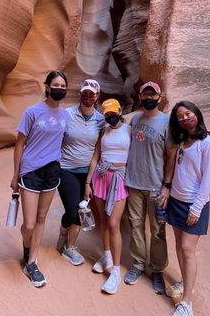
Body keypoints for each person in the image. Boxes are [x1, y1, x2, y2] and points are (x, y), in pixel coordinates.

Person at [10, 70, 69, 288]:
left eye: (63, 86)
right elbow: (19, 143)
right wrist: (16, 174)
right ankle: (27, 244)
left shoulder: (65, 115)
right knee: (29, 223)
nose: (60, 89)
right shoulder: (32, 111)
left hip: (52, 170)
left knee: (42, 218)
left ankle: (32, 262)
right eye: (56, 85)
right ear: (47, 86)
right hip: (31, 170)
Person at [166, 101, 210, 316]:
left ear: (197, 113)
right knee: (179, 246)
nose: (185, 118)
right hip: (177, 201)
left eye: (188, 113)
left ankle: (186, 302)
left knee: (188, 250)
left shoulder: (208, 143)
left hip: (193, 204)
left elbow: (208, 180)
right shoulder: (182, 141)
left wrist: (196, 208)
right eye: (180, 117)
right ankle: (185, 281)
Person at [124, 81, 175, 295]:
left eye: (152, 94)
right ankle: (137, 265)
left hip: (156, 186)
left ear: (159, 97)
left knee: (157, 231)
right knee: (136, 226)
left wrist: (166, 186)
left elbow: (171, 155)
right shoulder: (135, 118)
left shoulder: (166, 122)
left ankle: (157, 270)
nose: (148, 97)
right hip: (134, 183)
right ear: (140, 95)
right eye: (145, 93)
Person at [56, 79, 104, 264]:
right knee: (72, 209)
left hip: (88, 172)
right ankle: (62, 234)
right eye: (85, 93)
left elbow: (98, 151)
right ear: (80, 94)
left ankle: (70, 247)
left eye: (92, 94)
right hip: (66, 168)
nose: (88, 97)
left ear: (97, 96)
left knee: (80, 211)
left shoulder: (101, 120)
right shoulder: (66, 114)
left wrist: (89, 180)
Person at [85, 99, 131, 294]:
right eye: (107, 113)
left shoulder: (128, 130)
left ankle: (116, 271)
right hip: (101, 177)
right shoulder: (103, 130)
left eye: (113, 112)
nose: (111, 116)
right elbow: (96, 155)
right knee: (103, 219)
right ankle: (106, 256)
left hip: (119, 179)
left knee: (113, 223)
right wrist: (88, 182)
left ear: (120, 111)